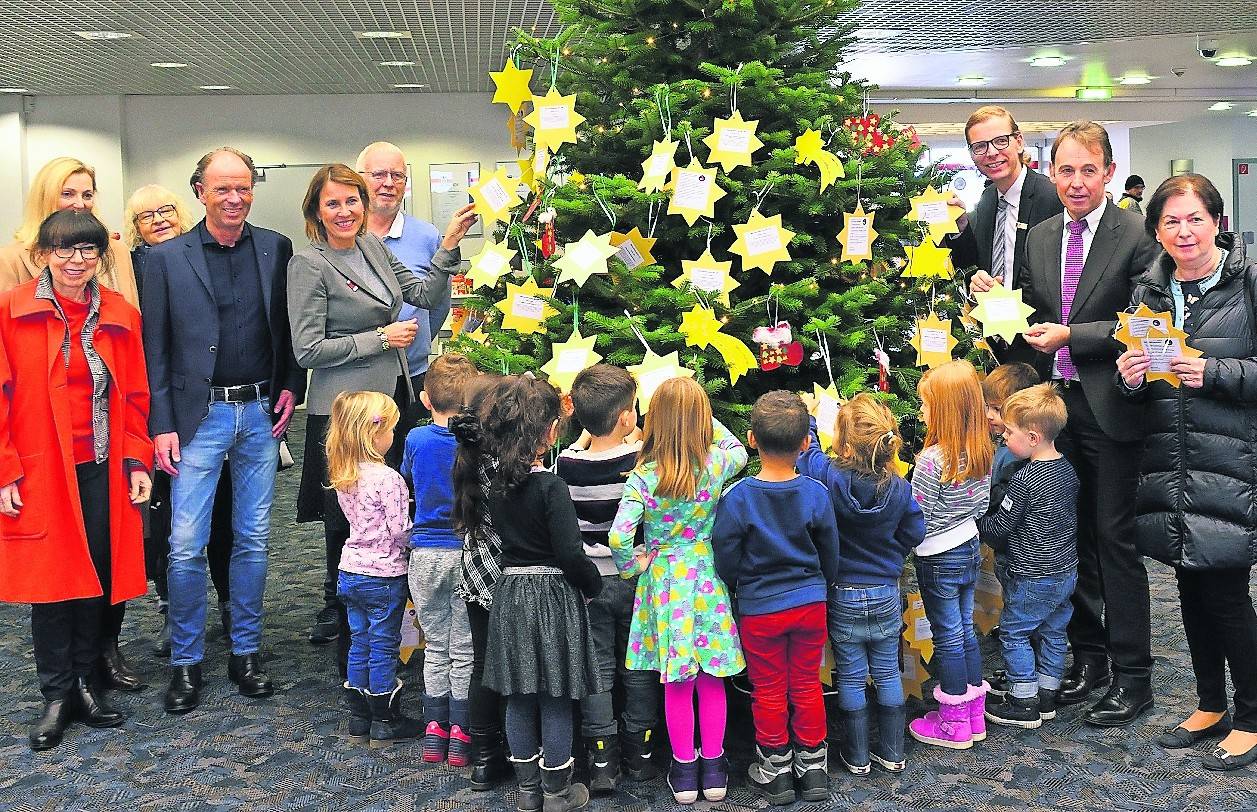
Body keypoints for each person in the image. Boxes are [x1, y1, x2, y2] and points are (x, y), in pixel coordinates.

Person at [287, 163, 474, 665]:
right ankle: (356, 649)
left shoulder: (373, 247)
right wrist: (379, 339)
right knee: (349, 529)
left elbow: (422, 296)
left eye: (352, 201)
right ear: (316, 211)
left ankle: (391, 636)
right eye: (333, 203)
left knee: (389, 517)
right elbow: (307, 349)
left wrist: (448, 247)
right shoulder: (308, 264)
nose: (345, 211)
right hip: (344, 415)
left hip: (389, 404)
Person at [143, 146, 307, 715]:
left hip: (261, 413)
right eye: (222, 189)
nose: (234, 198)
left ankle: (246, 653)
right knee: (186, 546)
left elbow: (285, 327)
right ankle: (186, 662)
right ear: (200, 192)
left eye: (243, 187)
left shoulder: (274, 247)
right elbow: (155, 350)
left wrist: (291, 383)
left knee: (254, 541)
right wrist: (160, 423)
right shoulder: (164, 259)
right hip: (196, 420)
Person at [1019, 121, 1161, 727]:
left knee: (1114, 540)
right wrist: (997, 301)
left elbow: (1142, 319)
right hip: (1055, 409)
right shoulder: (1043, 234)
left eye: (1088, 170)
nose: (1077, 182)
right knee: (1066, 537)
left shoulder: (1137, 234)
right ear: (1053, 174)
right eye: (1066, 170)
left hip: (1111, 406)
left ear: (1107, 172)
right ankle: (1089, 658)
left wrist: (1071, 335)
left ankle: (1135, 678)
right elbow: (1035, 308)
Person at [1117, 173, 1257, 770]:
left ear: (1217, 223)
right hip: (1170, 462)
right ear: (1157, 231)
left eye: (1195, 219)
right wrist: (1131, 380)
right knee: (1191, 591)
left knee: (1225, 594)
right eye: (1171, 222)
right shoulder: (1149, 293)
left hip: (1229, 465)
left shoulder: (1247, 285)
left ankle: (1252, 715)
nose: (1184, 232)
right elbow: (1147, 384)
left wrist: (1215, 373)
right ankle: (1209, 704)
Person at [0, 209, 153, 750]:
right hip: (41, 469)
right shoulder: (12, 310)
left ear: (100, 257)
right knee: (51, 584)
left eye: (87, 250)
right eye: (63, 250)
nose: (75, 260)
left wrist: (137, 460)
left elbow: (135, 395)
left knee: (99, 576)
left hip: (102, 466)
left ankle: (88, 684)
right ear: (43, 254)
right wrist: (5, 469)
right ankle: (57, 694)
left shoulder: (119, 314)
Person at [451, 375, 602, 812]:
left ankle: (528, 791)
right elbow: (570, 555)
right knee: (554, 693)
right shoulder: (551, 487)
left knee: (518, 695)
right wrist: (591, 586)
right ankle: (558, 792)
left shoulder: (493, 485)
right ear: (549, 432)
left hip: (509, 594)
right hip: (552, 595)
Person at [608, 377, 748, 805]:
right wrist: (705, 418)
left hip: (664, 582)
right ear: (703, 422)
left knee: (676, 680)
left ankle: (684, 771)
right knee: (711, 679)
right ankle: (715, 768)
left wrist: (633, 565)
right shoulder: (717, 464)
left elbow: (619, 537)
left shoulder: (644, 475)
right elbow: (740, 449)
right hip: (705, 576)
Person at [123, 184, 234, 660]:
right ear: (135, 227)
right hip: (153, 407)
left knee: (224, 513)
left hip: (209, 409)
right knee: (167, 519)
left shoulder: (200, 254)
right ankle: (174, 610)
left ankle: (231, 605)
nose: (159, 219)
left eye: (166, 209)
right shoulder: (128, 268)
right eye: (146, 215)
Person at [712, 391, 840, 805]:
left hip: (760, 608)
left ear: (751, 439)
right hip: (809, 605)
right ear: (806, 443)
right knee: (806, 683)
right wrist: (823, 585)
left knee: (767, 687)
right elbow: (830, 552)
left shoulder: (736, 498)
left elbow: (726, 555)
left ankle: (777, 769)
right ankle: (813, 766)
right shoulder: (817, 493)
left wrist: (740, 588)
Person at [797, 393, 924, 775]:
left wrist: (812, 420)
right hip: (885, 590)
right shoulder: (900, 487)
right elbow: (915, 531)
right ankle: (893, 752)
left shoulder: (830, 477)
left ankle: (857, 757)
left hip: (842, 591)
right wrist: (891, 554)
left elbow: (808, 457)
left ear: (846, 444)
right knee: (887, 671)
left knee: (851, 675)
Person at [555, 364, 659, 792]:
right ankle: (642, 753)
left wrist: (585, 433)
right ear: (626, 417)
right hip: (636, 576)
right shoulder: (639, 461)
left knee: (596, 666)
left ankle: (601, 760)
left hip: (589, 582)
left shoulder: (566, 463)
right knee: (637, 664)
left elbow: (581, 449)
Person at [977, 385, 1079, 728]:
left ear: (1033, 436)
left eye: (1009, 432)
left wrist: (975, 519)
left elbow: (1000, 527)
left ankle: (1024, 700)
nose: (1004, 438)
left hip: (1032, 573)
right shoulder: (1068, 470)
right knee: (1053, 629)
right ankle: (1047, 691)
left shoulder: (1024, 480)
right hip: (1065, 571)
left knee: (1014, 632)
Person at [326, 390, 423, 746]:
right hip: (384, 575)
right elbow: (399, 530)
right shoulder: (389, 479)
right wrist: (420, 540)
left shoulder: (344, 472)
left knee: (359, 642)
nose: (393, 436)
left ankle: (358, 716)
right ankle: (385, 718)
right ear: (375, 434)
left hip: (350, 570)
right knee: (384, 645)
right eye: (391, 429)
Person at [906, 360, 992, 750]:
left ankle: (953, 722)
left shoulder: (930, 461)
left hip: (938, 556)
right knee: (964, 630)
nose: (921, 412)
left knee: (947, 636)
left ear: (943, 410)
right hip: (969, 545)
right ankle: (975, 714)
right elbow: (982, 504)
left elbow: (917, 517)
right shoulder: (981, 451)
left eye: (926, 405)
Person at [401, 353, 480, 766]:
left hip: (426, 554)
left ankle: (434, 728)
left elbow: (408, 479)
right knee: (464, 648)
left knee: (436, 646)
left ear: (425, 398)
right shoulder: (476, 442)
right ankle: (462, 734)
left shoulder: (416, 440)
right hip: (465, 552)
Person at [951, 106, 1063, 364]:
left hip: (1040, 345)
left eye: (1001, 141)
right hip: (994, 343)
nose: (991, 153)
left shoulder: (1052, 198)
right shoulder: (989, 198)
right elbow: (974, 263)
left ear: (1019, 142)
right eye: (980, 147)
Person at [452, 374, 513, 791]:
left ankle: (484, 758)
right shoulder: (506, 467)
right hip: (506, 575)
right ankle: (512, 748)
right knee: (514, 666)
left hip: (475, 568)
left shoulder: (469, 455)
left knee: (482, 665)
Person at [0, 157, 139, 308]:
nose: (80, 204)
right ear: (44, 198)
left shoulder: (117, 250)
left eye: (87, 195)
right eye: (67, 194)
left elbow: (133, 318)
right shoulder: (11, 260)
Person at [980, 362, 1041, 594]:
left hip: (1014, 554)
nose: (989, 415)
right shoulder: (1012, 449)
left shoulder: (1014, 457)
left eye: (997, 410)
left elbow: (1002, 506)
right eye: (988, 407)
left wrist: (984, 528)